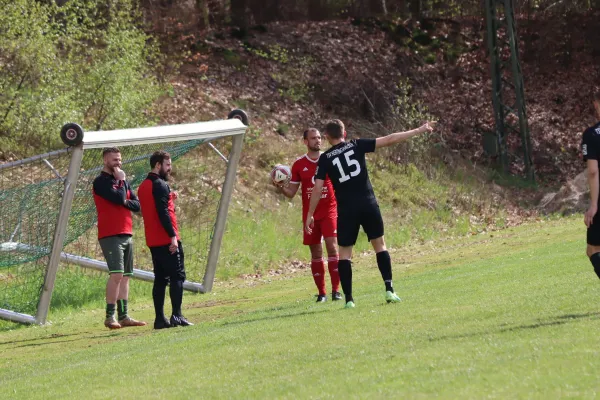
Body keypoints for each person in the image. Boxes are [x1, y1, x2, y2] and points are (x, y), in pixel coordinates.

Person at [305, 119, 436, 308]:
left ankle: (349, 300)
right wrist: (419, 129)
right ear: (345, 133)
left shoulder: (325, 158)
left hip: (346, 209)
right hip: (368, 204)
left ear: (326, 137)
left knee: (344, 254)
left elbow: (317, 189)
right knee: (380, 245)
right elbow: (390, 139)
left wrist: (310, 213)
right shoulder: (356, 145)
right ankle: (389, 289)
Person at [274, 128, 341, 302]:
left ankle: (336, 291)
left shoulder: (329, 158)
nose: (317, 141)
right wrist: (280, 186)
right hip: (310, 215)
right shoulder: (298, 165)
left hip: (329, 210)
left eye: (319, 138)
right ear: (305, 141)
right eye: (313, 138)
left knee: (332, 247)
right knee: (316, 253)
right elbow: (291, 193)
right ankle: (322, 293)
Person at [92, 147, 147, 329]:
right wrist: (121, 183)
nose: (118, 163)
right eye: (115, 160)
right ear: (105, 161)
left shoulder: (123, 182)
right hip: (110, 234)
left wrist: (124, 198)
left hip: (126, 232)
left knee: (126, 276)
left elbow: (137, 204)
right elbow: (118, 198)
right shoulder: (101, 182)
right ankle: (110, 316)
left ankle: (124, 316)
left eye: (120, 160)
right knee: (116, 274)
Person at [138, 151, 193, 329]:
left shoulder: (144, 185)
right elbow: (162, 213)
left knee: (160, 278)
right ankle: (177, 315)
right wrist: (172, 237)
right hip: (166, 238)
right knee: (177, 275)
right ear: (158, 165)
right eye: (167, 165)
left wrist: (169, 196)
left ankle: (160, 319)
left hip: (153, 239)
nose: (170, 168)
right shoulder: (160, 185)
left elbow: (155, 207)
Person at [582, 91, 600, 278]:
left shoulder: (592, 135)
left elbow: (593, 171)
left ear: (596, 104)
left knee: (593, 249)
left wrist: (594, 205)